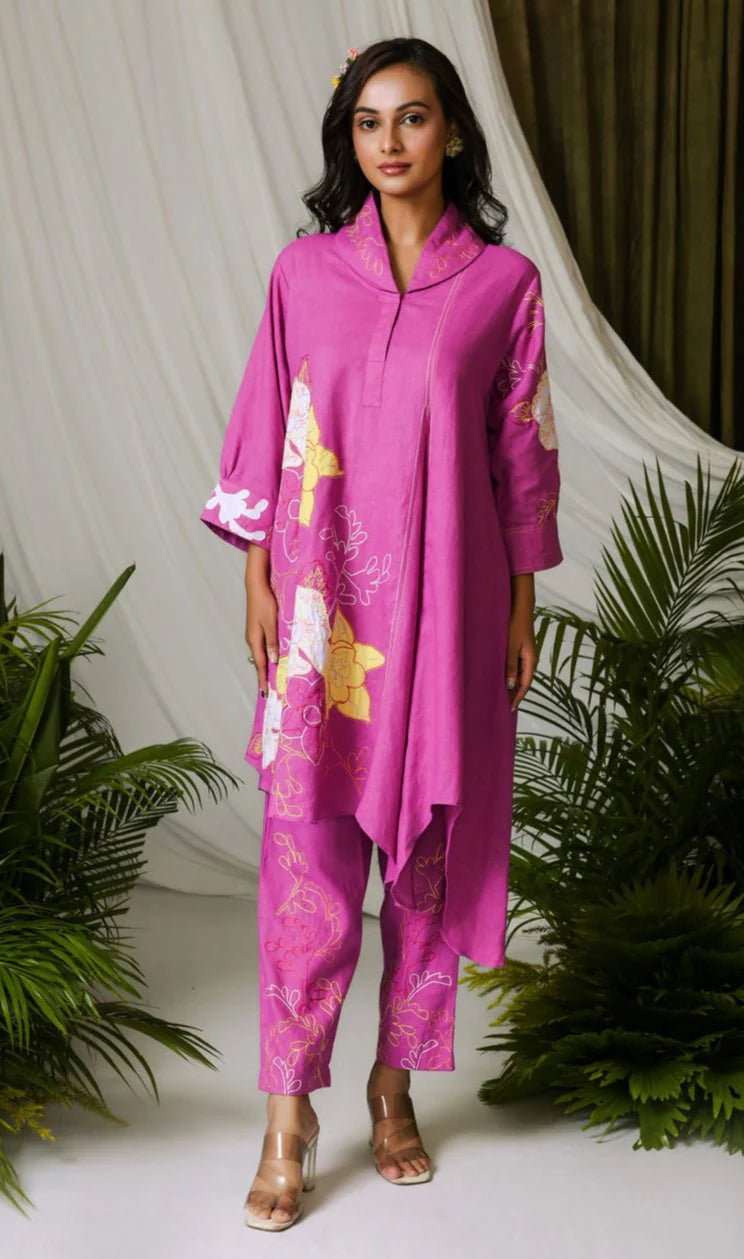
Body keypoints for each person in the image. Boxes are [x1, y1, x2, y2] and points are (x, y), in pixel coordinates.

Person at [199, 36, 563, 1231]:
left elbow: (521, 458)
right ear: (348, 139)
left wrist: (520, 607)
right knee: (303, 860)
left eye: (412, 118)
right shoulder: (304, 273)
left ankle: (393, 1086)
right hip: (324, 613)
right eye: (368, 121)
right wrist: (258, 572)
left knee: (427, 856)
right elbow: (271, 420)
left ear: (452, 130)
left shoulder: (504, 285)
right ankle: (286, 1116)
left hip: (453, 610)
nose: (390, 141)